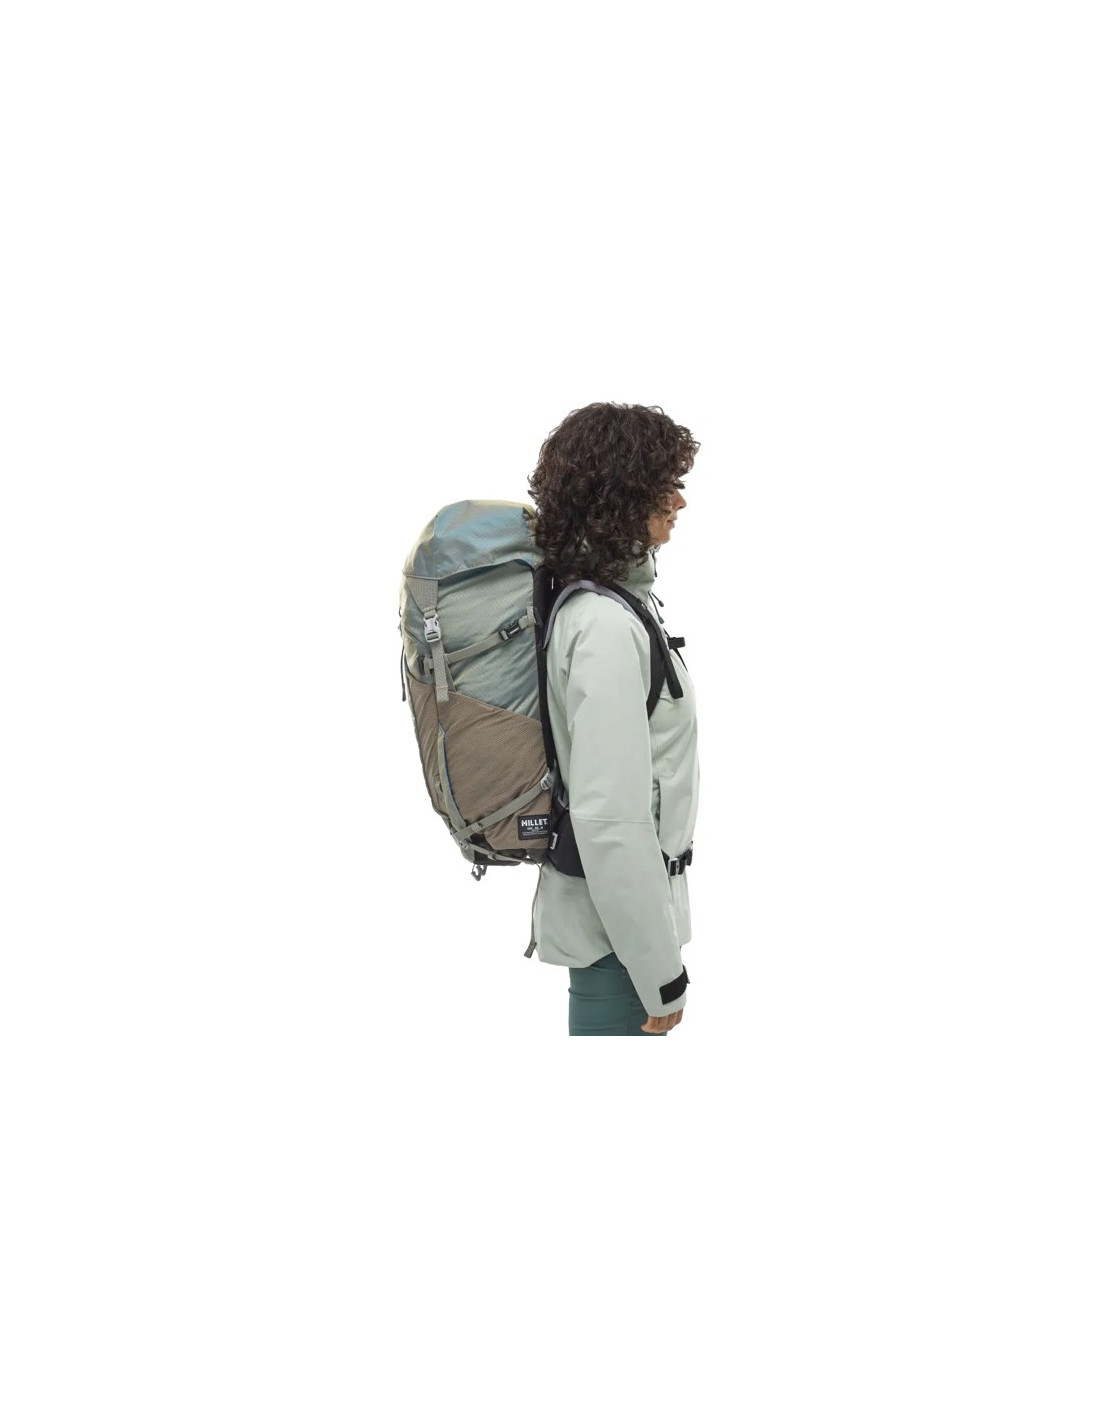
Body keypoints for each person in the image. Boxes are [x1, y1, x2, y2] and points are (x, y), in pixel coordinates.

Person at [526, 402, 700, 1036]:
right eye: (664, 484)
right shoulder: (603, 625)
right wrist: (659, 973)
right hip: (617, 946)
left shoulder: (615, 607)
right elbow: (609, 820)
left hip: (622, 932)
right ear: (620, 497)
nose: (679, 501)